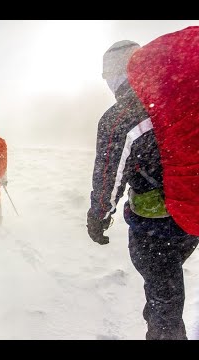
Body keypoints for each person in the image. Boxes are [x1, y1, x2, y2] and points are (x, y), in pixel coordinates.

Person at [86, 38, 199, 340]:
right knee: (165, 293)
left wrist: (98, 217)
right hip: (190, 218)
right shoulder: (180, 97)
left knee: (165, 304)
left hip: (154, 228)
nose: (107, 82)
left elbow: (108, 175)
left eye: (107, 75)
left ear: (116, 73)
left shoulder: (120, 115)